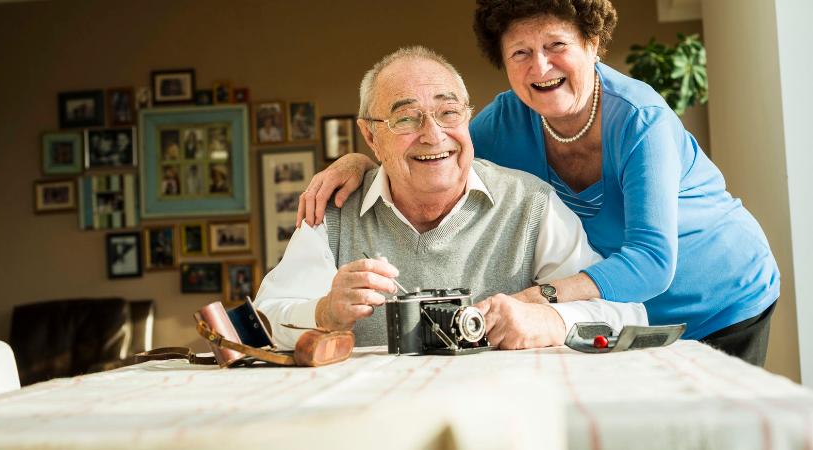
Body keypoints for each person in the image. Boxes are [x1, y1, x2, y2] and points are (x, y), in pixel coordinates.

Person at [297, 0, 780, 366]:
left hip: (722, 299)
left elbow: (653, 264)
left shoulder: (639, 120)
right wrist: (363, 161)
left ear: (592, 44)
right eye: (521, 53)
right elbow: (436, 150)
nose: (540, 67)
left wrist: (538, 298)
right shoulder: (505, 123)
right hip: (628, 318)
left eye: (556, 46)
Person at [254, 46, 646, 351]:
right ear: (371, 136)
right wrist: (324, 312)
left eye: (448, 112)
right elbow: (262, 324)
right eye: (406, 118)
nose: (433, 134)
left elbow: (628, 314)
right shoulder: (334, 209)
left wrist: (551, 322)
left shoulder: (530, 204)